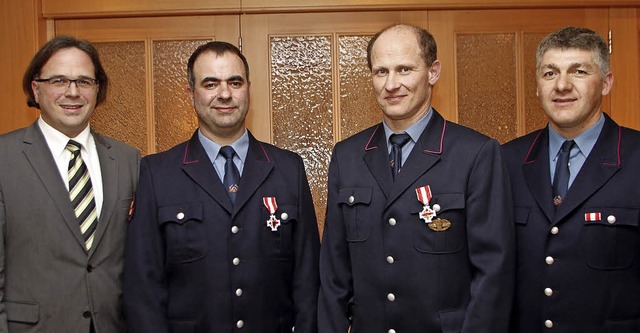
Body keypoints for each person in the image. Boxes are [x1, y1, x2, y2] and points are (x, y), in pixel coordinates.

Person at [318, 24, 515, 333]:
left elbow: (493, 272)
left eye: (404, 69)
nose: (391, 84)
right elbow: (333, 273)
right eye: (381, 72)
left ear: (432, 72)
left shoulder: (475, 154)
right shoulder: (348, 156)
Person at [123, 41, 320, 332]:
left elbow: (308, 281)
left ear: (248, 89)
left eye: (235, 82)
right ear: (191, 94)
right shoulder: (157, 173)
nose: (225, 94)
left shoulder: (288, 169)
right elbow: (143, 289)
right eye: (211, 84)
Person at [503, 26, 640, 332]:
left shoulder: (635, 157)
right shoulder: (506, 161)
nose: (562, 85)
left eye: (578, 71)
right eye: (550, 73)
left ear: (606, 83)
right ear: (537, 86)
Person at [0, 35, 140, 332]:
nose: (73, 92)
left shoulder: (128, 160)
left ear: (97, 89)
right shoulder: (4, 158)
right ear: (36, 89)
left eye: (84, 82)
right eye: (59, 81)